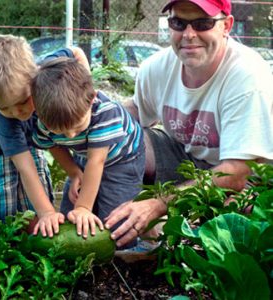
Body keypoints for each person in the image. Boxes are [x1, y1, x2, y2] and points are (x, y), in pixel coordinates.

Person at [104, 0, 273, 247]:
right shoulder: (156, 67)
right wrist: (91, 128)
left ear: (226, 26)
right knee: (117, 139)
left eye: (203, 23)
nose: (189, 34)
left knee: (231, 220)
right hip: (188, 162)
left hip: (248, 178)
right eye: (178, 23)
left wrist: (159, 203)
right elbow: (135, 112)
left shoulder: (248, 77)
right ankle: (113, 228)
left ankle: (173, 237)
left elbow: (237, 172)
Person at [0, 34, 90, 237]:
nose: (16, 112)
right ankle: (0, 242)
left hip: (31, 138)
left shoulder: (46, 70)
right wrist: (47, 213)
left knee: (40, 186)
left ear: (35, 76)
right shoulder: (4, 120)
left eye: (23, 101)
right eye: (4, 107)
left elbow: (76, 53)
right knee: (4, 200)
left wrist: (85, 92)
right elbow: (25, 168)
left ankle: (37, 236)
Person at [30, 57, 145, 240]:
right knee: (70, 211)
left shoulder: (105, 113)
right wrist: (74, 172)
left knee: (114, 219)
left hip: (123, 158)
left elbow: (96, 161)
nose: (70, 136)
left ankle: (123, 253)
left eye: (77, 127)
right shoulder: (44, 120)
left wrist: (84, 208)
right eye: (60, 131)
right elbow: (53, 145)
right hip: (85, 156)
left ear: (91, 100)